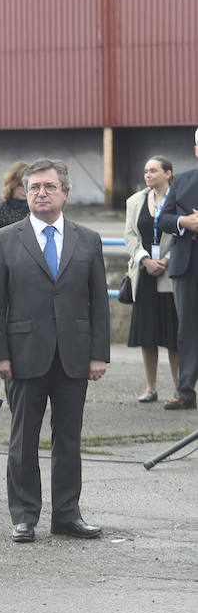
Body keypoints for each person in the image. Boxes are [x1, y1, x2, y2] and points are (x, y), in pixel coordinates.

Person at [0, 158, 109, 543]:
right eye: (34, 187)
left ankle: (67, 515)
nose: (41, 193)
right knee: (23, 439)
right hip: (23, 354)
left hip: (74, 353)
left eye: (49, 187)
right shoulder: (4, 239)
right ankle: (24, 516)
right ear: (25, 193)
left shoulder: (87, 239)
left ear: (65, 193)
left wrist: (99, 353)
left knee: (69, 439)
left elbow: (98, 301)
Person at [124, 156, 179, 403]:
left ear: (168, 173)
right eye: (146, 170)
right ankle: (150, 388)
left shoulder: (180, 199)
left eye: (154, 170)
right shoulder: (135, 201)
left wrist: (168, 259)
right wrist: (145, 259)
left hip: (171, 274)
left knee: (174, 336)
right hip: (145, 273)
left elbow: (184, 234)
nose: (148, 174)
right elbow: (130, 235)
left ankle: (181, 388)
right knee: (148, 334)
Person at [157, 129, 198, 410]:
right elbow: (164, 219)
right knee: (188, 329)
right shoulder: (182, 180)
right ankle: (185, 390)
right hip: (187, 265)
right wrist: (184, 221)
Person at [0, 160, 29, 235]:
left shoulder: (37, 211)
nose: (25, 189)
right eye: (21, 185)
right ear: (12, 184)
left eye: (29, 185)